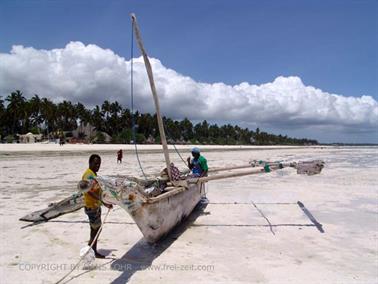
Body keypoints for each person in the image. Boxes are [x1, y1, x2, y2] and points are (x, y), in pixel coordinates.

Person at [81, 154, 112, 258]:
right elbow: (88, 191)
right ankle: (91, 249)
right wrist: (103, 202)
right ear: (90, 163)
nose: (97, 165)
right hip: (92, 207)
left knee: (95, 229)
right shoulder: (88, 175)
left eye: (99, 163)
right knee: (96, 229)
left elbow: (97, 190)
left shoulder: (93, 174)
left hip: (95, 206)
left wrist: (105, 201)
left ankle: (91, 249)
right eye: (95, 163)